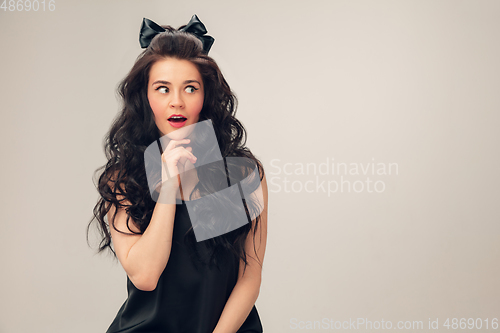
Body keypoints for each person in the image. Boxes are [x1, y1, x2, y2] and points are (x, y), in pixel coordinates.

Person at [87, 15, 268, 333]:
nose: (177, 102)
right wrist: (168, 185)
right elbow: (145, 276)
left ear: (206, 96)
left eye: (190, 88)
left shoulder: (242, 174)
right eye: (162, 88)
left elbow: (249, 279)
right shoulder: (124, 178)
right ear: (146, 98)